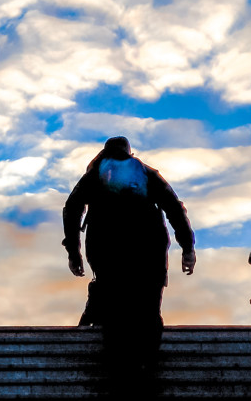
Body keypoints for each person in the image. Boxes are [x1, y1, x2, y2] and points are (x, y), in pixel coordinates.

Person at [62, 136, 195, 377]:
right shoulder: (147, 173)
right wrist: (187, 248)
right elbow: (174, 207)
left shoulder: (95, 175)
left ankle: (119, 368)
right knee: (149, 307)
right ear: (130, 152)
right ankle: (149, 365)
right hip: (149, 250)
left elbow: (72, 208)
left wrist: (74, 251)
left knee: (115, 309)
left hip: (107, 251)